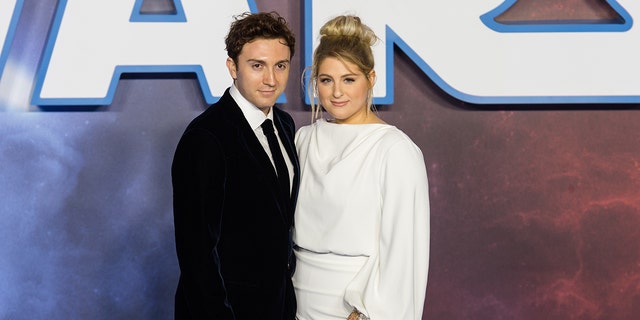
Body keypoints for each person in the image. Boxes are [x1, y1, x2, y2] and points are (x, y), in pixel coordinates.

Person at [292, 15, 430, 320]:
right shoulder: (304, 139)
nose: (337, 92)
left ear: (371, 78)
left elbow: (403, 250)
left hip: (355, 308)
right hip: (295, 301)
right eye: (327, 80)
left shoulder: (395, 150)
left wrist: (370, 312)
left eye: (349, 79)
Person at [171, 11, 299, 319]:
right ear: (233, 67)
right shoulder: (206, 137)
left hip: (277, 307)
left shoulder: (284, 123)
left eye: (280, 65)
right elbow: (196, 253)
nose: (271, 79)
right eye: (257, 66)